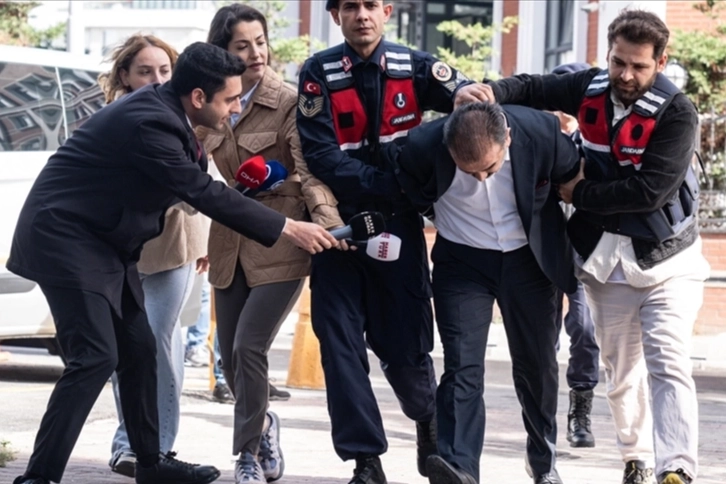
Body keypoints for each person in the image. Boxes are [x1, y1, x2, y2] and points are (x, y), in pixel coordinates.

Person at [7, 41, 338, 484]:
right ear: (198, 97)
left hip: (105, 244)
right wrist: (288, 227)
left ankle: (151, 463)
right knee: (96, 356)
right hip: (64, 240)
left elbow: (199, 185)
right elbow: (199, 191)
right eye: (230, 99)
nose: (237, 107)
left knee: (140, 349)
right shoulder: (151, 122)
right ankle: (39, 476)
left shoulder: (168, 113)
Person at [482, 9, 710, 484]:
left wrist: (579, 193)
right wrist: (489, 93)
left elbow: (650, 192)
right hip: (606, 262)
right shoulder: (590, 87)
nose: (625, 75)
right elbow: (534, 87)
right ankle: (635, 458)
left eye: (638, 66)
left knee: (668, 360)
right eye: (618, 62)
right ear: (608, 55)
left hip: (668, 260)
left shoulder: (679, 113)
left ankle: (676, 468)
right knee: (621, 371)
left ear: (660, 62)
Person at [295, 1, 491, 482]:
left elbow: (469, 104)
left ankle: (427, 421)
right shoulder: (317, 73)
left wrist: (465, 98)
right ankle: (365, 460)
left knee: (405, 348)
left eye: (371, 5)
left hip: (398, 229)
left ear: (387, 11)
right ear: (336, 15)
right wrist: (394, 185)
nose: (361, 15)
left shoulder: (416, 65)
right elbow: (321, 155)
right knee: (339, 345)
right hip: (339, 230)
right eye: (350, 6)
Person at [384, 102, 580, 484]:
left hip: (529, 260)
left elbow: (573, 179)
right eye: (468, 171)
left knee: (538, 365)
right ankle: (460, 467)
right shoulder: (422, 147)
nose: (480, 178)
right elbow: (406, 192)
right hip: (462, 263)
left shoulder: (541, 133)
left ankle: (543, 462)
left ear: (508, 138)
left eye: (489, 168)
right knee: (462, 364)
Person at [198, 4, 344, 484]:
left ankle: (246, 456)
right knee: (229, 358)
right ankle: (262, 426)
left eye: (260, 42)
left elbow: (310, 172)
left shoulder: (289, 101)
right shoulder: (210, 105)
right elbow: (191, 174)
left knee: (249, 346)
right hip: (228, 243)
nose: (256, 53)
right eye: (242, 46)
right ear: (223, 52)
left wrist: (329, 225)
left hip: (282, 239)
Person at [95, 33, 210, 479]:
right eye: (145, 71)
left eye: (164, 70)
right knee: (127, 343)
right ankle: (130, 444)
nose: (156, 79)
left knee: (158, 339)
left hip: (173, 245)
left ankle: (158, 447)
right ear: (125, 75)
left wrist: (206, 245)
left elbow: (205, 187)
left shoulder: (184, 114)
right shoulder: (110, 120)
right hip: (120, 250)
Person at [550, 62, 601, 450]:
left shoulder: (595, 139)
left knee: (584, 327)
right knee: (542, 334)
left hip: (586, 249)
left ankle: (580, 409)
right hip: (545, 248)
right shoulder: (540, 135)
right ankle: (541, 413)